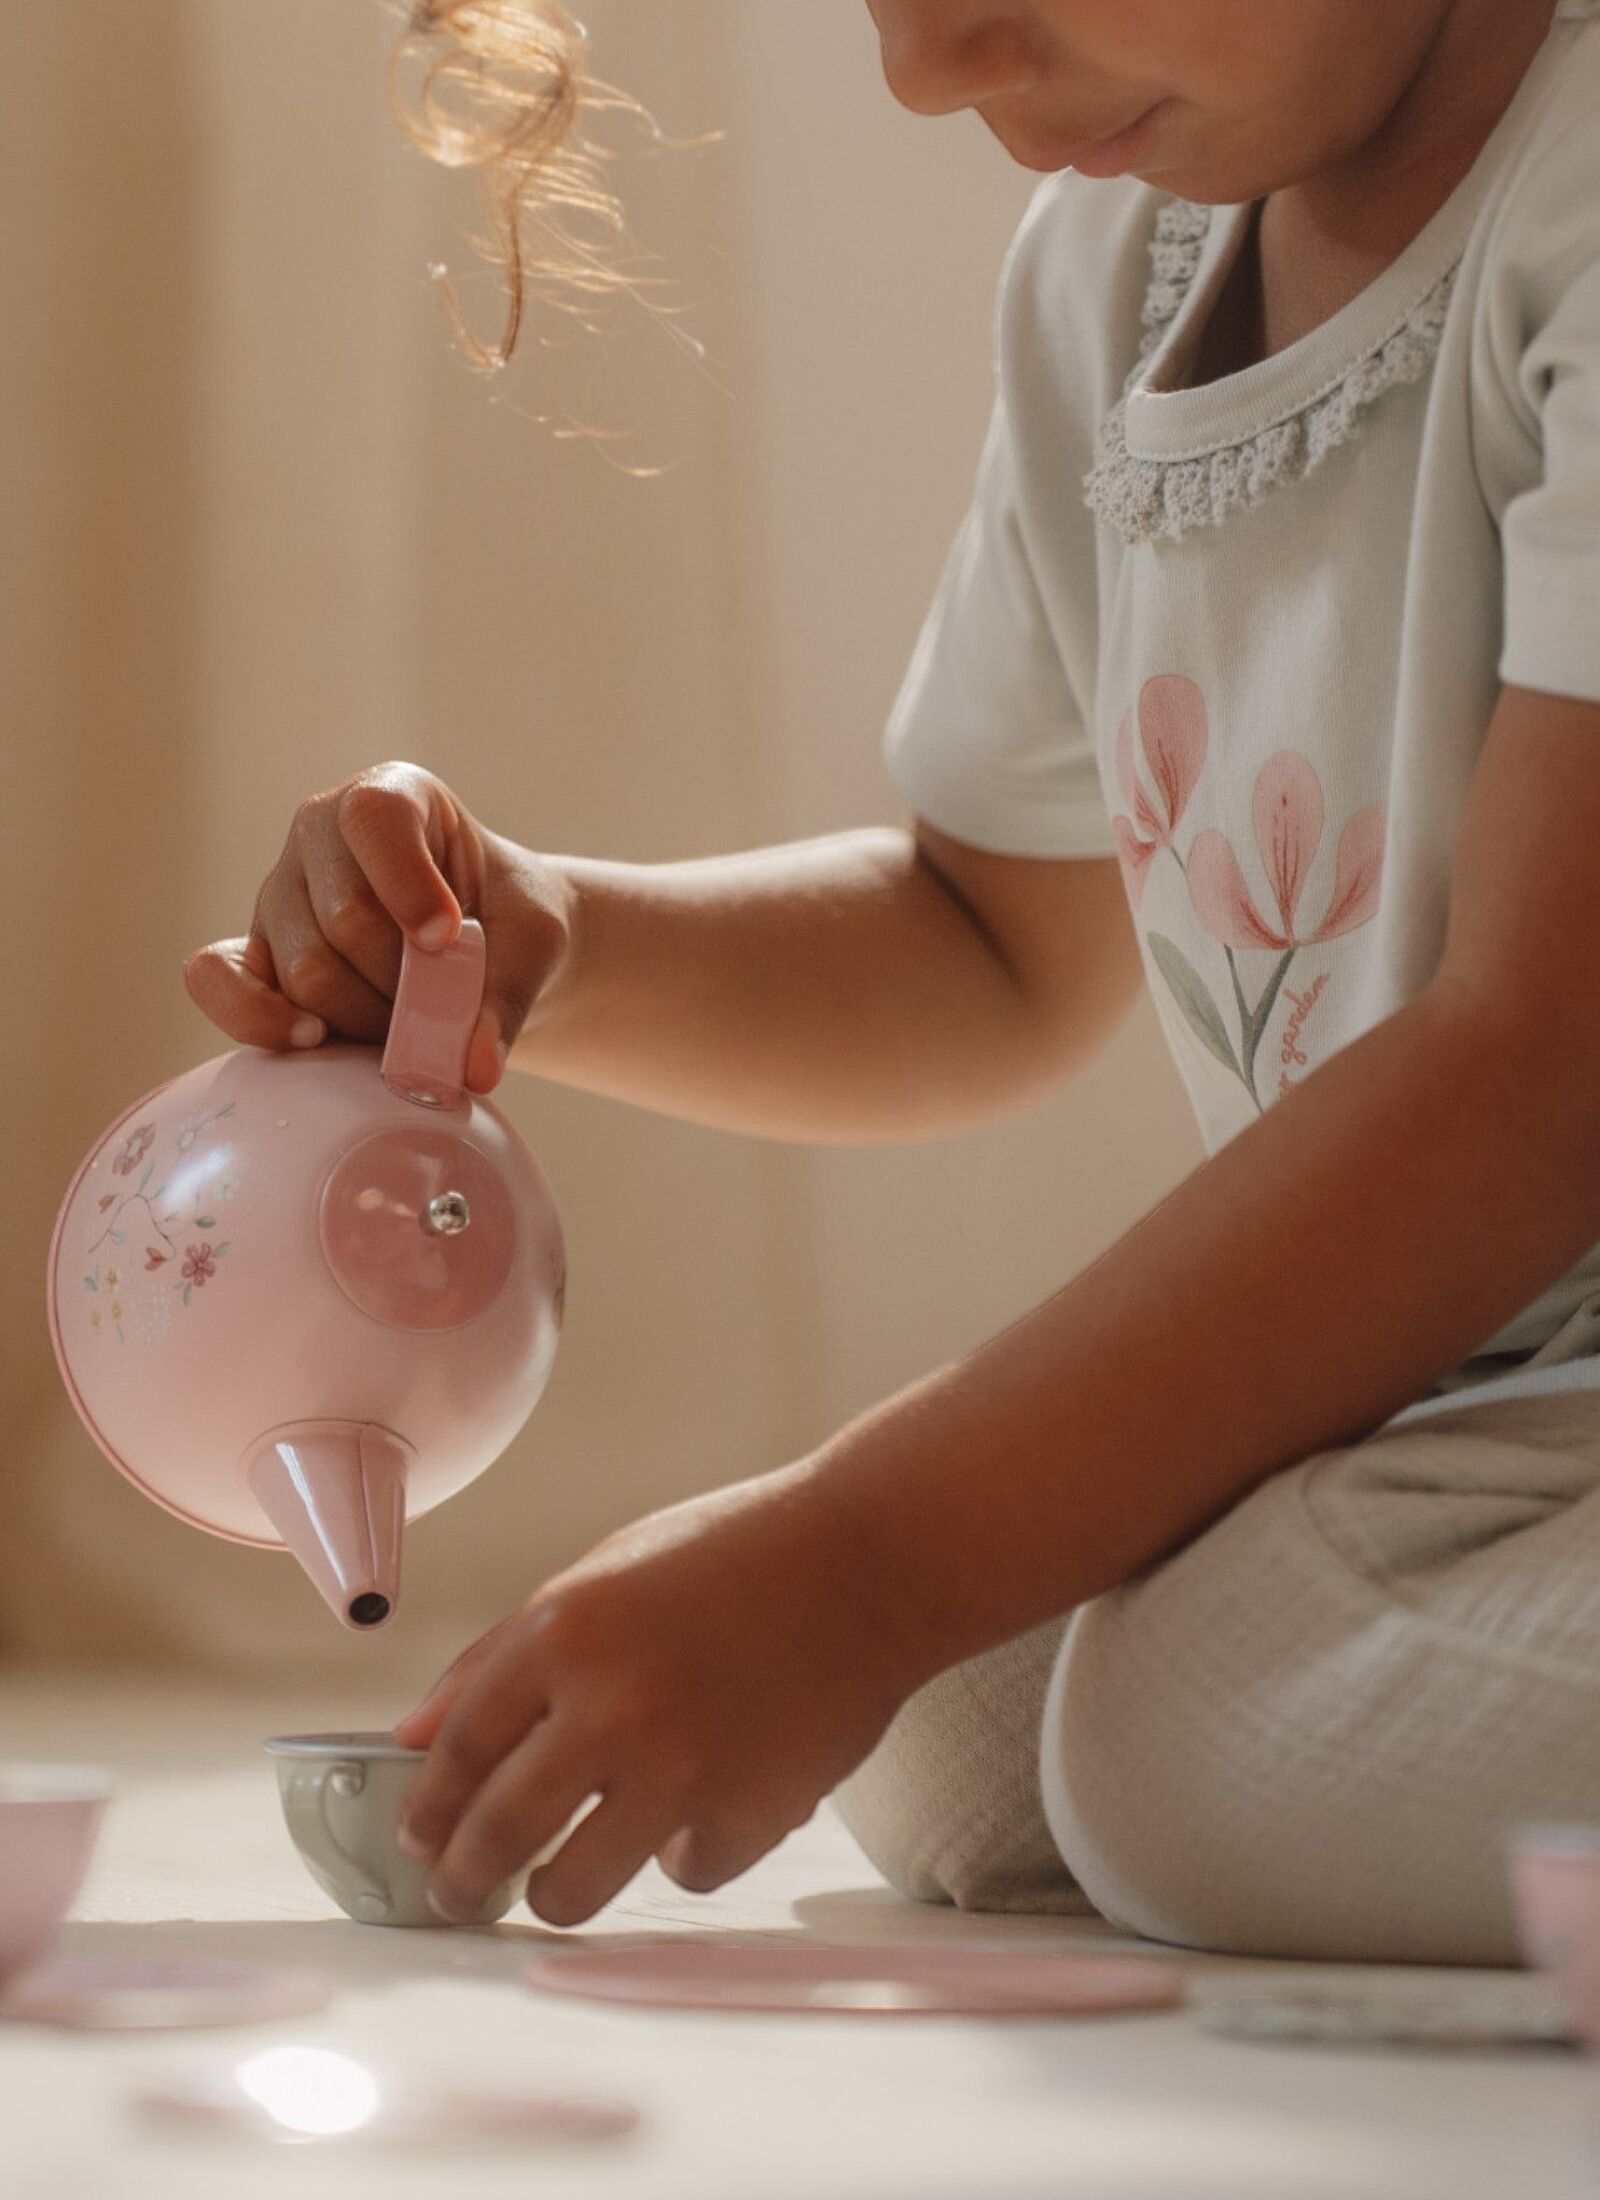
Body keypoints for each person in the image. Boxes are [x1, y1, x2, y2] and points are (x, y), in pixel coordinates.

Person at [187, 0, 1600, 1963]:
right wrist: (550, 943)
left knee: (1168, 1744)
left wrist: (858, 1555)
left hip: (1529, 1368)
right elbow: (985, 937)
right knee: (956, 1738)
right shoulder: (1116, 275)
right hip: (1488, 1412)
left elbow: (1531, 1083)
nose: (921, 66)